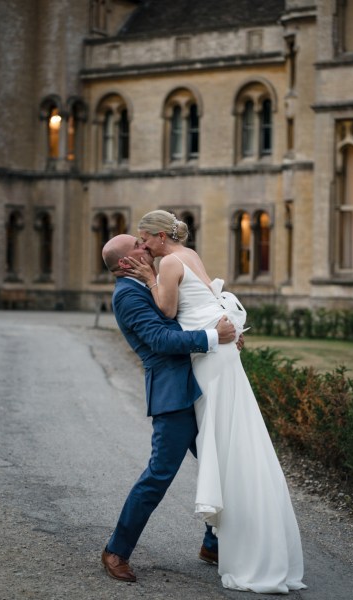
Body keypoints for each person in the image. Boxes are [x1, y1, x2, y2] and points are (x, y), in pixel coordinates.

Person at [125, 210, 307, 594]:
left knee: (223, 446)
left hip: (208, 357)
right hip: (219, 352)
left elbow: (169, 313)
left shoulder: (170, 262)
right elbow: (209, 303)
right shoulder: (190, 255)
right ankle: (218, 541)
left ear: (160, 236)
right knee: (229, 442)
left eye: (144, 240)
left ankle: (235, 541)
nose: (142, 247)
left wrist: (151, 279)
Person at [100, 234, 236, 583]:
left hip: (199, 385)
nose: (145, 247)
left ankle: (213, 544)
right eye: (137, 246)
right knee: (159, 475)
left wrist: (226, 329)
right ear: (125, 263)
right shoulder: (127, 296)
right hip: (173, 394)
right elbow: (161, 340)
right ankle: (116, 550)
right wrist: (211, 338)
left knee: (217, 467)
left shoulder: (149, 281)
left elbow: (183, 313)